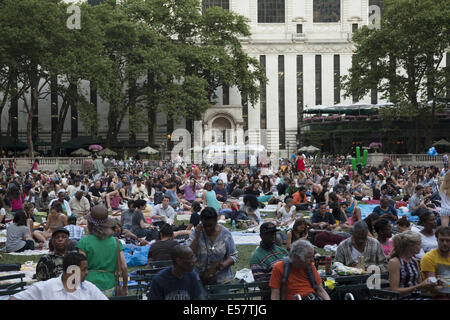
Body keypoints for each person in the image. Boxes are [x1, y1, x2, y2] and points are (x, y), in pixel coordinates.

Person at [10, 252, 107, 300]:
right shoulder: (46, 287)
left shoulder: (89, 288)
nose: (87, 272)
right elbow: (13, 298)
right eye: (83, 270)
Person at [77, 206, 128, 296]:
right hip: (110, 286)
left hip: (89, 286)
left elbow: (80, 267)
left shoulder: (83, 242)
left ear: (90, 223)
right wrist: (125, 287)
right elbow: (124, 267)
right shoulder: (116, 242)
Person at [187, 207, 238, 286]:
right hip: (199, 278)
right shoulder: (196, 232)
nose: (208, 228)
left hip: (221, 278)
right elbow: (188, 254)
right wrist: (196, 238)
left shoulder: (225, 234)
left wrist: (222, 265)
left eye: (211, 225)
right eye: (205, 225)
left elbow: (233, 255)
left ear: (216, 221)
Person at [388, 231, 438, 299]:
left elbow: (421, 286)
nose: (421, 247)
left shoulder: (414, 261)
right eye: (419, 244)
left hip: (416, 296)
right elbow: (394, 290)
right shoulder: (395, 262)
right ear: (410, 246)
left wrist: (432, 284)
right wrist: (417, 287)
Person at [250, 222, 288, 287]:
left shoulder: (282, 251)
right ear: (261, 236)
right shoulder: (256, 257)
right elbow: (262, 283)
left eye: (274, 233)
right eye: (269, 234)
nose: (273, 236)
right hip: (272, 294)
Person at [420, 226, 450, 298]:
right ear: (436, 239)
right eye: (441, 240)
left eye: (448, 240)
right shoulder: (429, 257)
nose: (445, 243)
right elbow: (433, 286)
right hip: (438, 296)